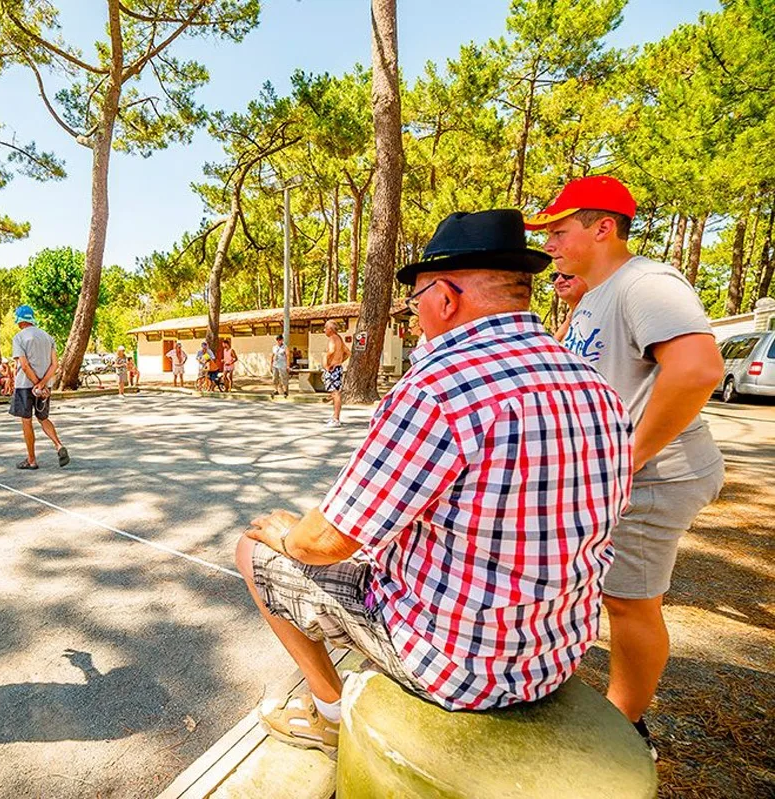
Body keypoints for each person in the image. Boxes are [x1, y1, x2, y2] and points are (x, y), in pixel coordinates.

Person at [234, 209, 632, 755]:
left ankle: (327, 713)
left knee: (251, 550)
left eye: (415, 297)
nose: (414, 312)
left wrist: (284, 534)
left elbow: (326, 542)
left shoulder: (439, 386)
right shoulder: (593, 383)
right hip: (555, 653)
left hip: (455, 663)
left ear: (445, 298)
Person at [528, 176, 725, 757]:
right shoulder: (597, 292)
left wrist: (629, 456)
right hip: (617, 475)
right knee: (599, 590)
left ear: (603, 227)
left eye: (560, 232)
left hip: (657, 475)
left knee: (629, 600)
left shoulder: (648, 282)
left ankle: (625, 726)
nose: (552, 246)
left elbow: (697, 369)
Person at [9, 305, 69, 469]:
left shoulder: (19, 338)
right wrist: (42, 384)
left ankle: (31, 460)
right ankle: (58, 445)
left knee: (26, 421)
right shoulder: (48, 337)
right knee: (43, 418)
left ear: (19, 321)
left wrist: (35, 383)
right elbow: (55, 365)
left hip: (25, 386)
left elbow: (24, 365)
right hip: (45, 386)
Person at [322, 321, 349, 428]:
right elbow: (347, 352)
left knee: (335, 393)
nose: (324, 330)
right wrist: (339, 361)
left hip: (333, 369)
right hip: (337, 367)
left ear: (330, 329)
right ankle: (334, 416)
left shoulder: (333, 338)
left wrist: (326, 359)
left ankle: (336, 419)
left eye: (325, 328)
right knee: (334, 393)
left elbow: (332, 351)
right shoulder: (339, 338)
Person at [550, 270, 589, 342]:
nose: (558, 281)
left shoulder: (602, 309)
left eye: (567, 275)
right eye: (554, 277)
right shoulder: (571, 317)